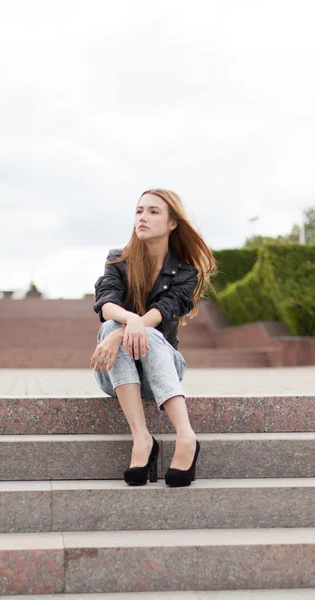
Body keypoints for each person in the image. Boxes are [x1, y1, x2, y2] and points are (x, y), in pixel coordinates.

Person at [90, 188, 217, 487]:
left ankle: (186, 437)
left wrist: (127, 329)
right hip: (119, 377)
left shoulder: (187, 272)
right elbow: (106, 302)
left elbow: (164, 311)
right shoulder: (118, 260)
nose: (142, 218)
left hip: (163, 371)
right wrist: (128, 320)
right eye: (139, 211)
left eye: (153, 212)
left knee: (130, 331)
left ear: (173, 223)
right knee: (111, 327)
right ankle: (142, 439)